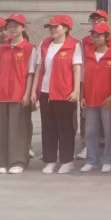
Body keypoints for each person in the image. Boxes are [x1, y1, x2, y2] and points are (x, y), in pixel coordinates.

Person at [31, 15, 83, 175]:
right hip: (46, 92)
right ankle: (50, 160)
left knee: (66, 128)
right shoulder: (44, 43)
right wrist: (34, 90)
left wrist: (76, 90)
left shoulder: (74, 44)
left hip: (65, 93)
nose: (52, 30)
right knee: (48, 127)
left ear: (66, 28)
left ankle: (67, 161)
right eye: (51, 27)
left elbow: (76, 69)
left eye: (56, 27)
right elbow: (39, 68)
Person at [0, 14, 36, 174]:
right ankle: (2, 161)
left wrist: (27, 94)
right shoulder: (1, 48)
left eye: (16, 26)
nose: (12, 29)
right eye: (9, 26)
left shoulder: (29, 48)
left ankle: (18, 161)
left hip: (19, 94)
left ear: (23, 28)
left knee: (18, 129)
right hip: (1, 94)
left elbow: (30, 74)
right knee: (1, 130)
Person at [79, 22, 111, 173]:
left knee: (109, 132)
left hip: (107, 100)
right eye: (93, 35)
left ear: (107, 37)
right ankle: (92, 160)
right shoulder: (87, 54)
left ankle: (109, 160)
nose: (95, 38)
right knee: (90, 132)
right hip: (90, 99)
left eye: (99, 36)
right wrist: (82, 96)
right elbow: (82, 77)